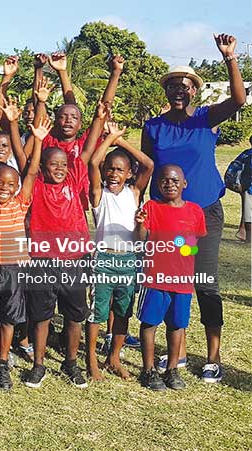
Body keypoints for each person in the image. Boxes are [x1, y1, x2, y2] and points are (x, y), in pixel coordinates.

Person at [142, 34, 247, 383]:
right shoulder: (153, 127)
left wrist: (229, 57)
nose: (178, 91)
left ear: (194, 91)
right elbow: (147, 168)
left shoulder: (205, 118)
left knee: (204, 283)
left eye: (184, 86)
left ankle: (213, 356)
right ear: (166, 91)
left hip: (204, 214)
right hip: (166, 219)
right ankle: (178, 352)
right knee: (170, 282)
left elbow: (239, 98)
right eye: (173, 86)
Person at [23, 99, 108, 389]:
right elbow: (31, 166)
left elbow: (84, 152)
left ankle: (71, 363)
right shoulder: (35, 184)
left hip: (74, 258)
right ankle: (39, 364)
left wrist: (98, 120)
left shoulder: (73, 179)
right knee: (41, 314)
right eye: (52, 164)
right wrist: (36, 138)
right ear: (44, 166)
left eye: (62, 164)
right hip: (43, 258)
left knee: (74, 314)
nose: (58, 168)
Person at [0, 108, 47, 391]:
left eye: (10, 185)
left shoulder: (20, 202)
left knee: (8, 320)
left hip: (14, 269)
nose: (5, 188)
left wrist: (38, 140)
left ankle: (4, 362)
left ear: (17, 188)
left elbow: (32, 171)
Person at [86, 121, 154, 381]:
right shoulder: (98, 194)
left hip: (129, 261)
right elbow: (92, 162)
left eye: (120, 170)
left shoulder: (134, 192)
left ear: (129, 174)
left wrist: (121, 142)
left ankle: (113, 357)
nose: (114, 174)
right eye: (110, 169)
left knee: (123, 312)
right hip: (103, 260)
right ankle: (91, 360)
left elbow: (148, 165)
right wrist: (109, 138)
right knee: (97, 312)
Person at [135, 165, 206, 391]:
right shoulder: (152, 207)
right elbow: (140, 239)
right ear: (158, 184)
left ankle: (172, 368)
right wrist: (139, 224)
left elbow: (196, 243)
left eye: (175, 180)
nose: (170, 184)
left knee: (177, 324)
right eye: (165, 180)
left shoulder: (195, 211)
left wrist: (186, 252)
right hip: (155, 278)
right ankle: (148, 369)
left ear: (184, 184)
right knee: (150, 322)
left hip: (182, 281)